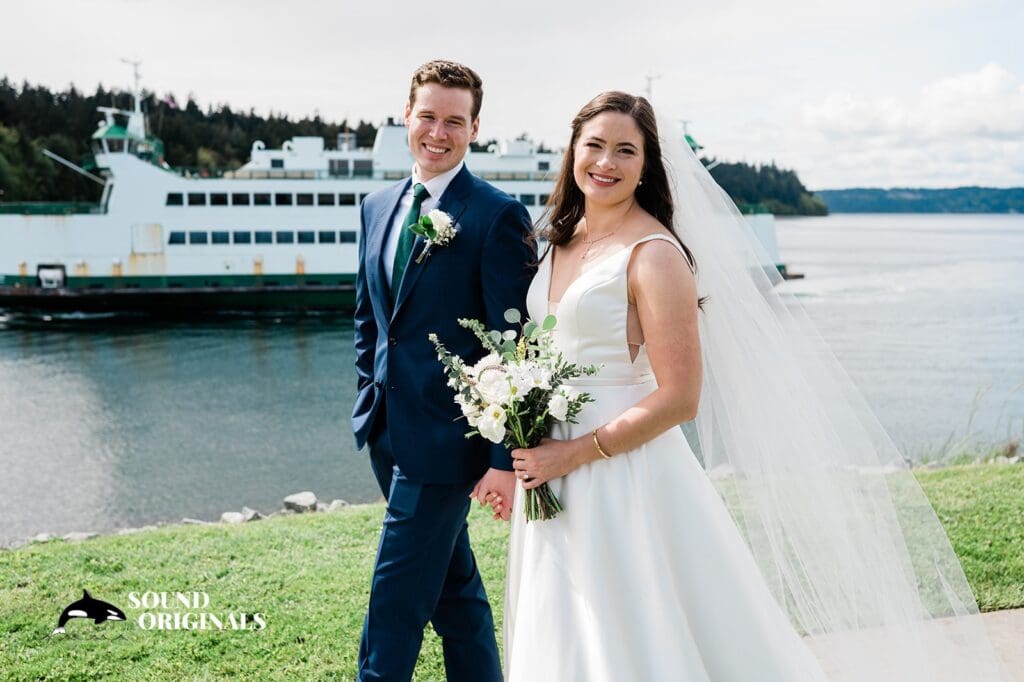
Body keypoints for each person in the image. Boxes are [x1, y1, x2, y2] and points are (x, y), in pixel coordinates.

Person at [488, 92, 1010, 681]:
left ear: (646, 164)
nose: (606, 162)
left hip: (621, 470)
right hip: (551, 462)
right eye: (595, 145)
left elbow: (681, 397)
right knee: (567, 621)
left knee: (634, 623)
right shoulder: (562, 238)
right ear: (573, 151)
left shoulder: (654, 255)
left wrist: (576, 453)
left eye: (626, 150)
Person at [351, 60, 534, 682]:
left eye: (454, 121)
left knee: (395, 598)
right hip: (384, 430)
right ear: (406, 116)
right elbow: (370, 319)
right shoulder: (376, 206)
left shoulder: (496, 215)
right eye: (427, 116)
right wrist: (368, 395)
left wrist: (502, 458)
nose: (438, 132)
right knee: (455, 593)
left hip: (450, 441)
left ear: (475, 128)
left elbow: (512, 345)